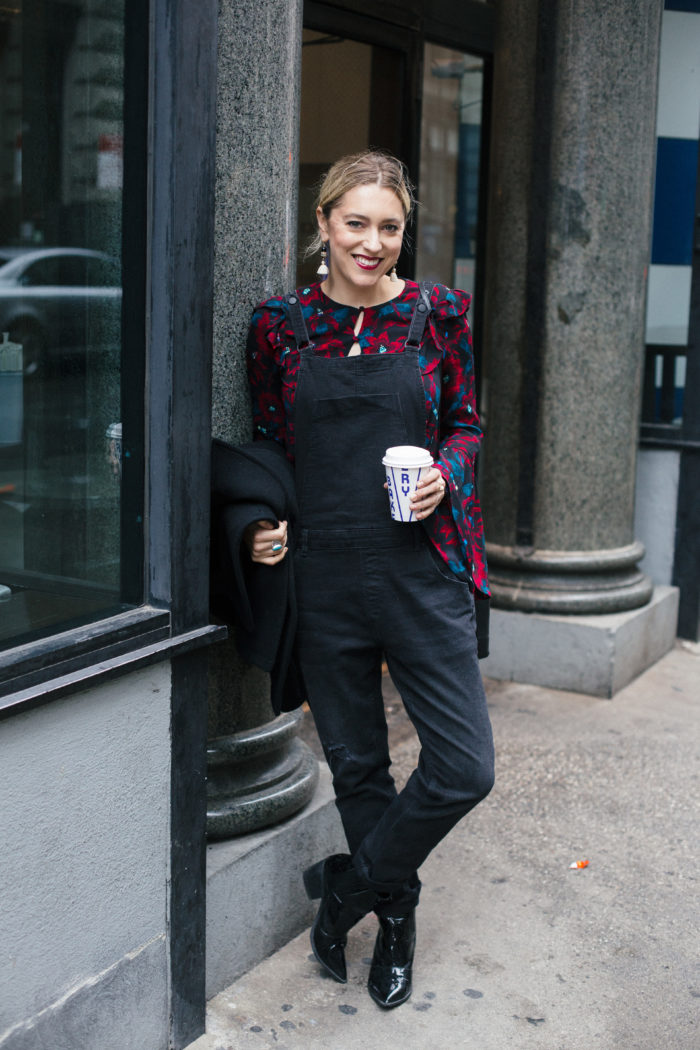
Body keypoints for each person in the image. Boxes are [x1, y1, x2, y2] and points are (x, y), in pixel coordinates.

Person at [245, 150, 494, 1009]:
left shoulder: (440, 314)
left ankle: (348, 890)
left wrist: (445, 477)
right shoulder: (279, 326)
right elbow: (269, 448)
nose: (374, 242)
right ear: (323, 224)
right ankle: (395, 917)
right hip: (323, 576)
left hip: (422, 571)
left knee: (465, 768)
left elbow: (467, 424)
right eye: (356, 223)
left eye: (389, 227)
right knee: (357, 768)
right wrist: (261, 527)